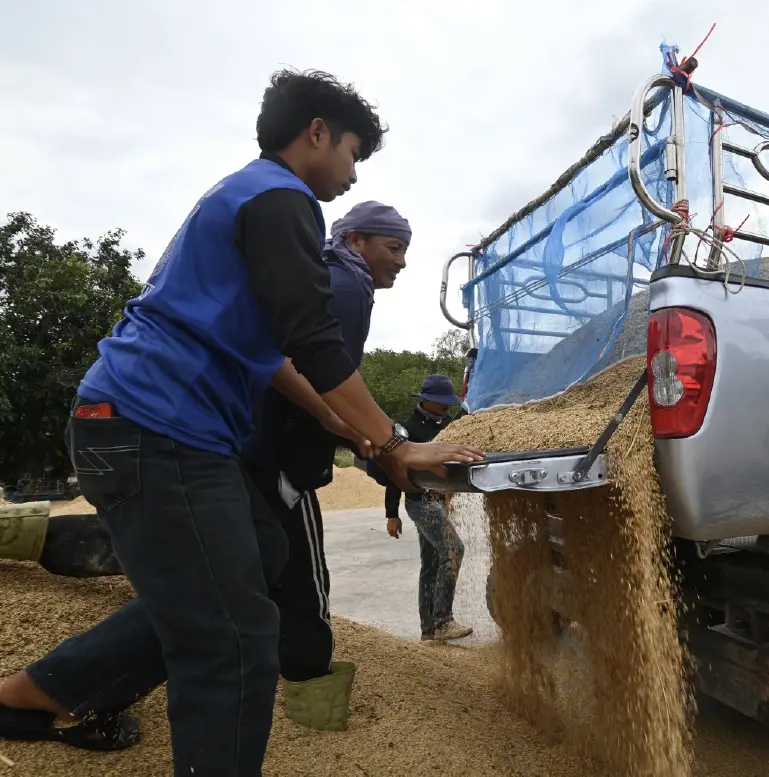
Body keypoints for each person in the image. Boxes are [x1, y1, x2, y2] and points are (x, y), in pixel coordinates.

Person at [0, 70, 483, 777]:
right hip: (152, 428)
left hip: (152, 428)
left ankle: (44, 693)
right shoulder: (283, 199)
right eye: (352, 152)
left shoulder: (247, 197)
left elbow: (275, 361)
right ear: (315, 132)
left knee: (257, 556)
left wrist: (360, 435)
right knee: (234, 641)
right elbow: (315, 344)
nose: (352, 172)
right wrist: (397, 444)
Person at [240, 199, 414, 729]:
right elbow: (316, 370)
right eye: (394, 247)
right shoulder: (344, 287)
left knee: (211, 552)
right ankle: (314, 696)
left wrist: (353, 430)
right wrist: (384, 442)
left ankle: (34, 535)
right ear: (356, 240)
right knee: (303, 577)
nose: (402, 262)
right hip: (278, 461)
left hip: (250, 450)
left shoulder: (325, 277)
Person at [374, 375, 473, 642]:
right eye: (441, 403)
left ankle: (428, 630)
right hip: (421, 502)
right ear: (426, 400)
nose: (446, 408)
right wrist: (391, 514)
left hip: (441, 500)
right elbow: (394, 474)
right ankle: (443, 620)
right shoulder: (407, 430)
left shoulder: (450, 426)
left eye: (448, 404)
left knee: (430, 563)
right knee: (453, 550)